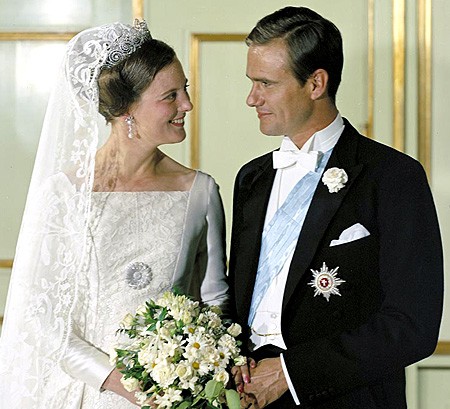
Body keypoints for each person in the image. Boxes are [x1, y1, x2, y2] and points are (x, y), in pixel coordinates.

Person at [0, 20, 229, 408]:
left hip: (174, 398)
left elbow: (215, 302)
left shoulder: (200, 192)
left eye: (185, 90)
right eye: (170, 96)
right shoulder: (64, 194)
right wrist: (119, 382)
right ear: (127, 110)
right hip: (85, 392)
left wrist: (192, 368)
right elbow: (41, 320)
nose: (186, 105)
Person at [228, 6, 443, 409]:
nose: (251, 98)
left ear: (316, 83)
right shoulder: (251, 179)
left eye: (266, 83)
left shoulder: (393, 176)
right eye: (251, 82)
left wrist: (292, 374)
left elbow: (412, 326)